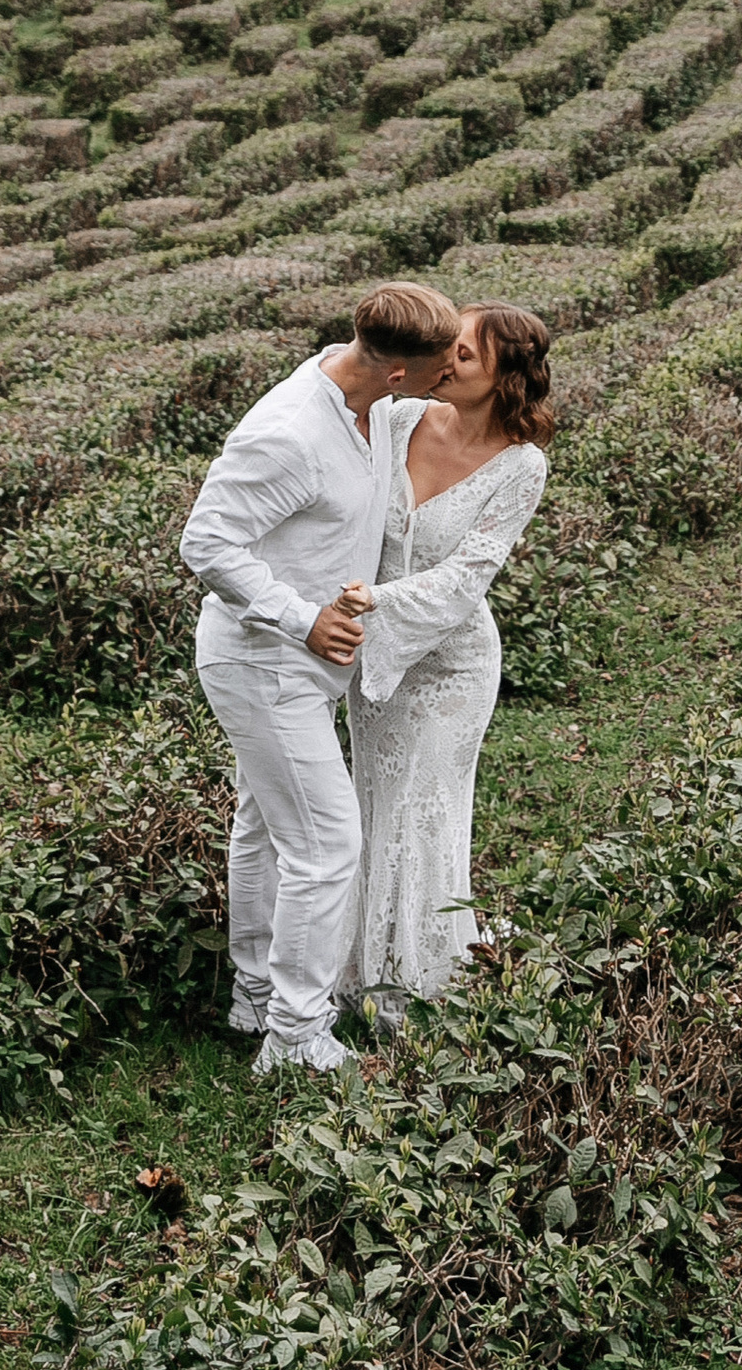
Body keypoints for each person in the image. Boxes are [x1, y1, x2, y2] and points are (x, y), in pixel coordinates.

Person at [181, 278, 463, 1076]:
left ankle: (254, 997)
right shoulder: (290, 432)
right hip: (264, 662)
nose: (448, 377)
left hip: (300, 666)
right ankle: (297, 1036)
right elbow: (206, 542)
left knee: (266, 828)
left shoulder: (370, 402)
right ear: (398, 373)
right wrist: (301, 617)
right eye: (439, 368)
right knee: (328, 842)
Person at [345, 303, 553, 1027]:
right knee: (375, 803)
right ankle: (362, 963)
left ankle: (415, 979)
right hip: (376, 655)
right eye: (447, 347)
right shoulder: (399, 418)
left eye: (463, 354)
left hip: (452, 667)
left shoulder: (522, 466)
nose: (445, 360)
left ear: (504, 376)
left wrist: (374, 600)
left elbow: (467, 579)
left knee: (425, 809)